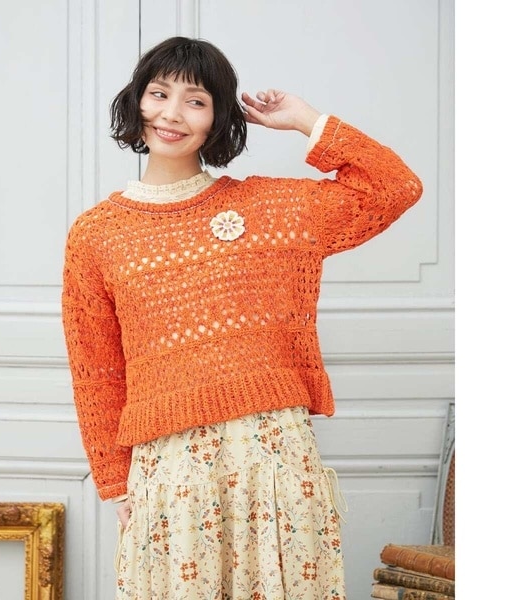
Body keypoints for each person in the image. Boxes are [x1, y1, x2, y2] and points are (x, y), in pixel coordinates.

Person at [61, 36, 422, 600]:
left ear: (218, 118)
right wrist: (113, 482)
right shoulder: (96, 235)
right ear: (137, 102)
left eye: (196, 101)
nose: (172, 114)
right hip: (171, 468)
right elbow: (96, 369)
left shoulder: (269, 209)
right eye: (159, 94)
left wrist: (306, 121)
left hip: (273, 459)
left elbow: (395, 187)